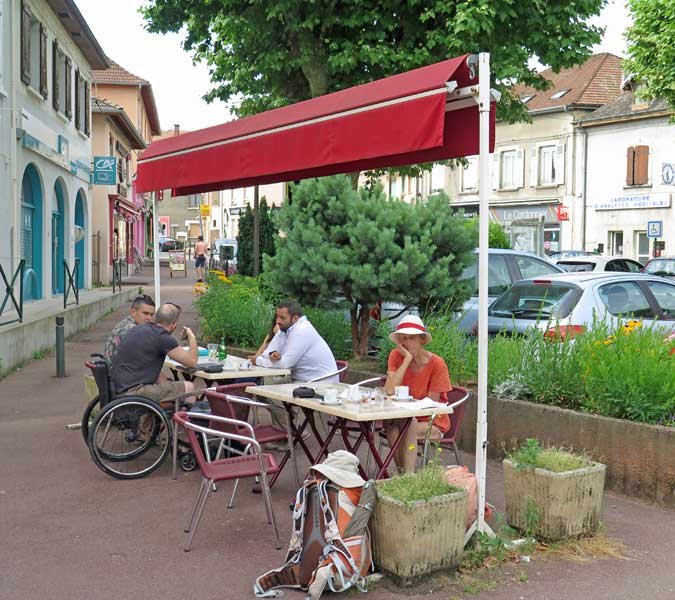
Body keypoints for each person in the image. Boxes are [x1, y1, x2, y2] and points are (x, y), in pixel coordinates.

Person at [384, 315, 452, 473]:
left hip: (432, 421)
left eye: (412, 338)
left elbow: (431, 404)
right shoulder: (396, 356)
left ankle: (408, 476)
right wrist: (407, 359)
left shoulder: (437, 364)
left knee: (409, 426)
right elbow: (390, 390)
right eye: (403, 339)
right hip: (403, 419)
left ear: (422, 339)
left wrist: (409, 414)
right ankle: (404, 477)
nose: (407, 343)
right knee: (393, 430)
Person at [111, 303, 198, 404]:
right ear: (174, 324)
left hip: (120, 387)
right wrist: (192, 337)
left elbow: (152, 370)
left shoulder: (138, 329)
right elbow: (192, 361)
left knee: (166, 385)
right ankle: (185, 419)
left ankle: (167, 418)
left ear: (155, 317)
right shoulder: (162, 337)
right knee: (189, 387)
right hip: (135, 392)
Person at [253, 301, 338, 383]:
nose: (278, 321)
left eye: (282, 318)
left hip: (321, 384)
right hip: (301, 380)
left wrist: (257, 361)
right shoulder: (284, 329)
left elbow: (285, 364)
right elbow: (265, 355)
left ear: (295, 318)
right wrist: (272, 354)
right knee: (261, 383)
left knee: (264, 384)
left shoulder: (302, 331)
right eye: (277, 317)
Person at [104, 294, 156, 365]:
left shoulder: (126, 322)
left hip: (115, 369)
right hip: (119, 373)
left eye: (152, 314)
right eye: (145, 313)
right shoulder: (135, 330)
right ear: (133, 312)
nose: (149, 318)